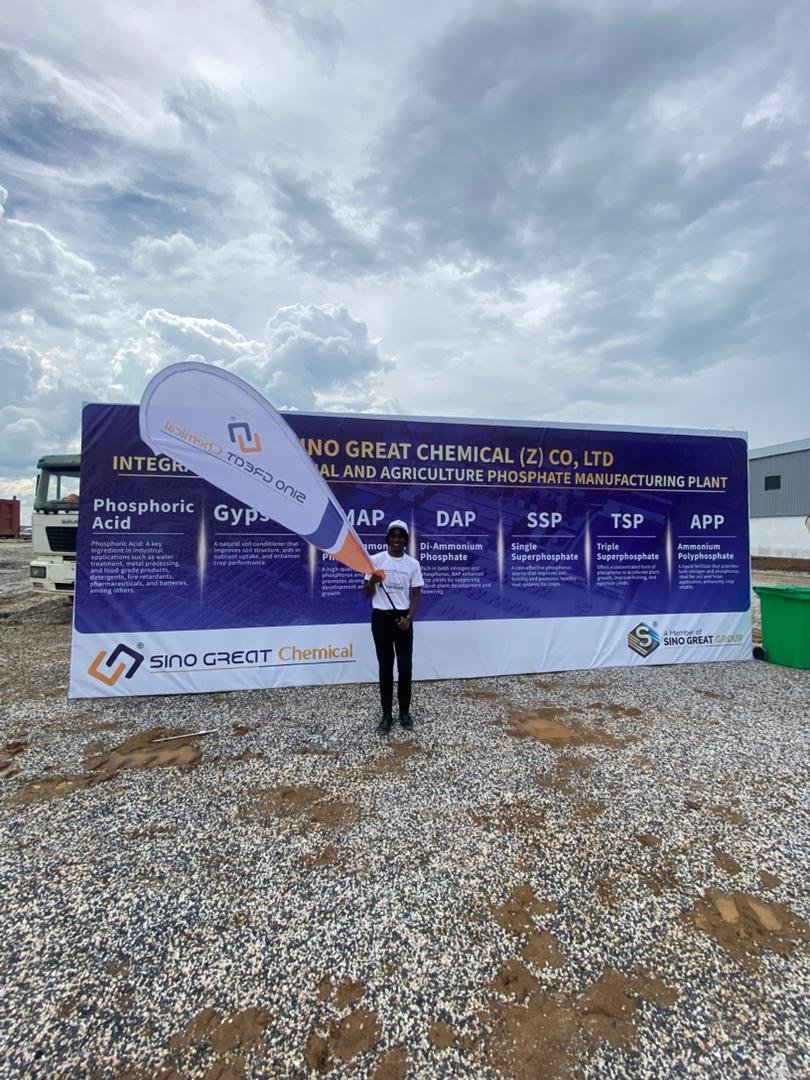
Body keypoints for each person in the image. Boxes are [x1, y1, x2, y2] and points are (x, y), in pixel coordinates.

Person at [363, 519, 423, 734]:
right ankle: (386, 715)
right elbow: (366, 593)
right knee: (385, 668)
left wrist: (409, 619)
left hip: (403, 621)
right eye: (393, 535)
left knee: (405, 668)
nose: (397, 539)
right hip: (381, 619)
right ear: (387, 539)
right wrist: (372, 580)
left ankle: (404, 713)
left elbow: (416, 594)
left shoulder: (412, 564)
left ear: (406, 540)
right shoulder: (375, 560)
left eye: (401, 536)